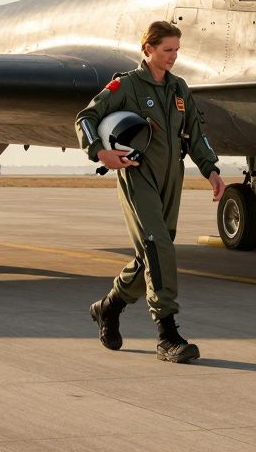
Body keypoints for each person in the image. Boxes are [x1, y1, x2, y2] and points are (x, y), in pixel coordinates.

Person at [75, 21, 225, 363]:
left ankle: (109, 307)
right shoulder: (125, 85)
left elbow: (196, 134)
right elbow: (85, 117)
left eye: (176, 50)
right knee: (158, 247)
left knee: (153, 254)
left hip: (171, 178)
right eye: (166, 50)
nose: (173, 57)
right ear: (149, 50)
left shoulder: (179, 89)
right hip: (137, 175)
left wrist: (211, 169)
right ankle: (167, 334)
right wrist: (100, 152)